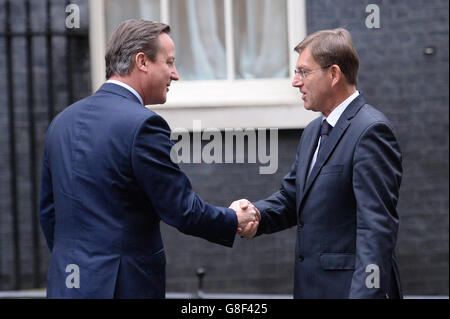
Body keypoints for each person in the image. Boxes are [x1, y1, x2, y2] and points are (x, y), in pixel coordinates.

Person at [39, 19, 259, 299]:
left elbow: (49, 212)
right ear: (142, 61)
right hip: (123, 287)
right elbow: (182, 210)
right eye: (169, 62)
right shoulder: (144, 125)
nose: (175, 74)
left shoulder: (61, 122)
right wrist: (233, 219)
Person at [238, 28, 403, 299]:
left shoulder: (371, 131)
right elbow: (292, 198)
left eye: (303, 72)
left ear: (334, 74)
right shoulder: (314, 131)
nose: (295, 81)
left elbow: (376, 231)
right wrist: (254, 214)